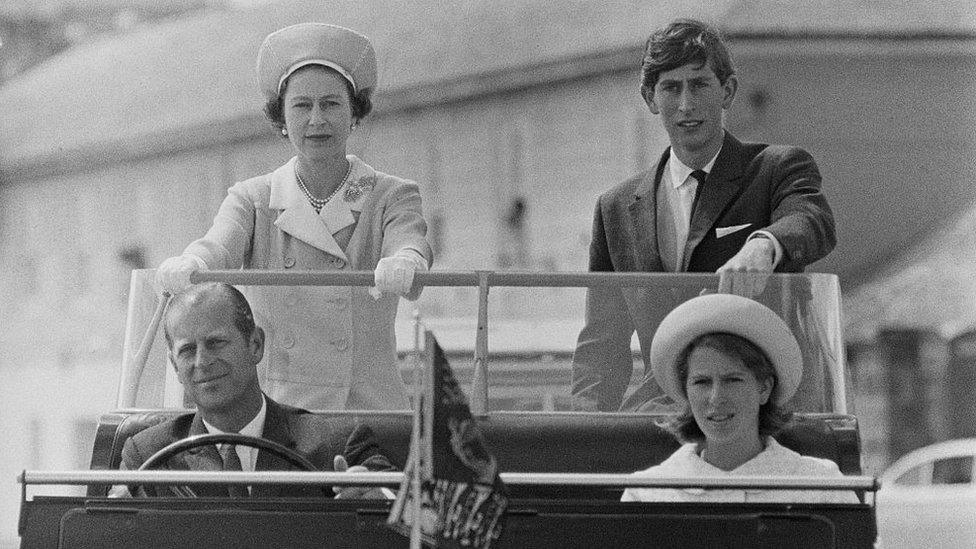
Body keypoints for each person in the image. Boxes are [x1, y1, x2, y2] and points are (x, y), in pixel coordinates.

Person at [155, 23, 433, 410]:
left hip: (368, 409)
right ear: (282, 120)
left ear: (354, 114)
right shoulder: (252, 198)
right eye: (302, 106)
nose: (317, 120)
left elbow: (409, 240)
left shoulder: (391, 194)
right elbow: (218, 245)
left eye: (332, 104)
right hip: (280, 414)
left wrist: (406, 260)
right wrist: (192, 263)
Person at [571, 19, 836, 412]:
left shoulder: (776, 168)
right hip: (661, 425)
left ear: (727, 91)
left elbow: (812, 219)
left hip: (763, 418)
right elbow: (601, 348)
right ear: (649, 98)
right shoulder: (615, 209)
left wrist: (765, 246)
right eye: (670, 88)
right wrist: (580, 440)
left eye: (699, 85)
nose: (686, 105)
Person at [112, 283, 395, 498]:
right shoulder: (149, 456)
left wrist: (375, 496)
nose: (202, 362)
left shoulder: (337, 445)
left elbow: (416, 515)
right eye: (187, 350)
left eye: (216, 343)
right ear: (175, 365)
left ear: (255, 345)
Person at [620, 293, 857, 503]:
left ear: (764, 388)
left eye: (733, 380)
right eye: (701, 382)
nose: (716, 398)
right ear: (685, 392)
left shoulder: (822, 487)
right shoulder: (647, 493)